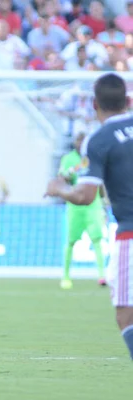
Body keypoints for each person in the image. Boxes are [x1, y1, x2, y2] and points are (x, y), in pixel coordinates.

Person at [45, 73, 133, 360]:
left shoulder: (99, 139)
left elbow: (85, 196)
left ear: (94, 105)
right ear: (128, 101)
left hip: (130, 235)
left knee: (126, 315)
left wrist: (59, 188)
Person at [58, 132, 108, 289]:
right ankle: (66, 276)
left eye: (83, 140)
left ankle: (102, 275)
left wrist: (103, 203)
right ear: (75, 142)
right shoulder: (68, 159)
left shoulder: (93, 158)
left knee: (97, 239)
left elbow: (100, 181)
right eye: (78, 140)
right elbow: (62, 180)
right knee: (71, 241)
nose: (80, 143)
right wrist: (69, 173)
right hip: (75, 204)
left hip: (93, 204)